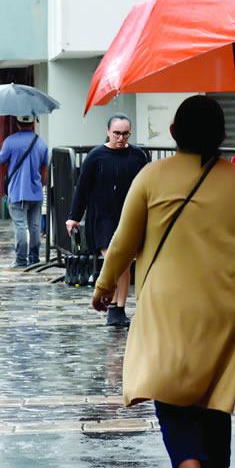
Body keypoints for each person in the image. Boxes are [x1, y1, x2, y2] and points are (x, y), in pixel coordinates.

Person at [91, 95, 235, 468]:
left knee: (171, 395)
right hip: (227, 307)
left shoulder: (152, 176)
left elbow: (123, 242)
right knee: (215, 397)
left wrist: (104, 288)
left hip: (168, 306)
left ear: (175, 133)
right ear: (221, 136)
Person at [65, 114, 149, 326]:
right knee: (115, 259)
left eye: (125, 133)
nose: (121, 138)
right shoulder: (96, 156)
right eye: (117, 133)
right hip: (102, 216)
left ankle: (119, 306)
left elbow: (148, 185)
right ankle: (112, 304)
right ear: (108, 131)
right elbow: (82, 187)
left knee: (125, 262)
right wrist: (74, 217)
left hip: (129, 215)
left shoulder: (138, 156)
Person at [0, 115, 49, 268]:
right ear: (33, 123)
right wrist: (41, 183)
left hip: (17, 191)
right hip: (36, 191)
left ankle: (20, 260)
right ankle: (34, 258)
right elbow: (44, 169)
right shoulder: (41, 142)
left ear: (18, 124)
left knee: (20, 226)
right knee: (35, 226)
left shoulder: (10, 141)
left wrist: (10, 171)